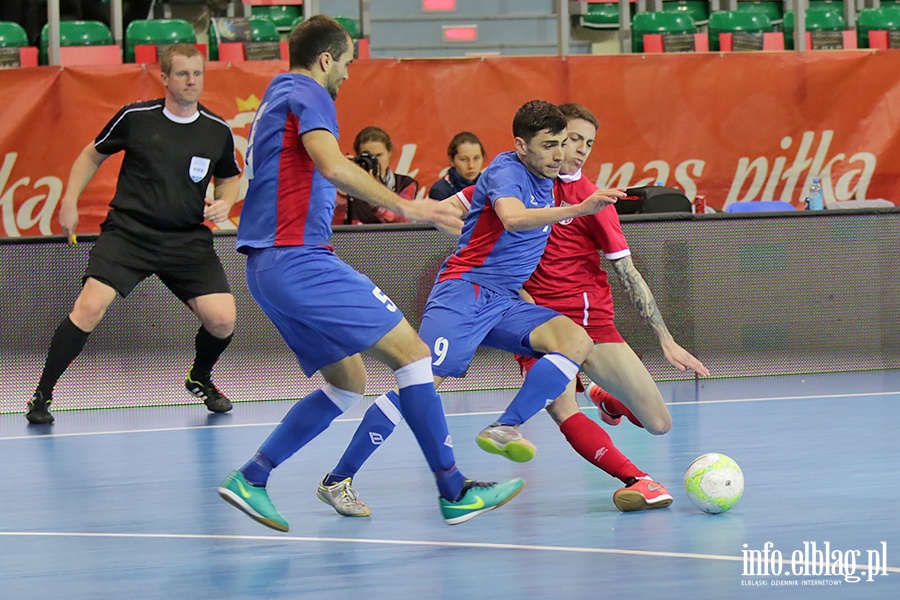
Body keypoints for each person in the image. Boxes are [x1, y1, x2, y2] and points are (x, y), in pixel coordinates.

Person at [216, 15, 524, 532]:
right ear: (326, 59)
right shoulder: (311, 93)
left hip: (264, 267)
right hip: (300, 260)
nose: (349, 76)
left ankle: (254, 476)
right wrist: (418, 208)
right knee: (414, 355)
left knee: (348, 381)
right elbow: (333, 166)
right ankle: (454, 488)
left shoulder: (273, 95)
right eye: (348, 64)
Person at [315, 100, 623, 517]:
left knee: (574, 339)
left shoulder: (546, 174)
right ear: (521, 145)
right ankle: (338, 480)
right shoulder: (505, 171)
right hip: (463, 294)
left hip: (504, 300)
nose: (559, 154)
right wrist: (578, 210)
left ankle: (505, 425)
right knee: (418, 387)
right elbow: (512, 219)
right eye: (549, 145)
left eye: (563, 144)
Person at [25, 44, 241, 425]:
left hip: (187, 240)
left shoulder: (217, 129)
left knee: (223, 320)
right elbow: (92, 154)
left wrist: (225, 202)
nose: (191, 81)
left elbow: (229, 178)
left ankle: (200, 377)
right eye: (182, 74)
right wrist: (70, 200)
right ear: (165, 78)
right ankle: (42, 395)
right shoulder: (135, 117)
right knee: (89, 308)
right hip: (129, 234)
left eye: (197, 73)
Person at [514, 103, 710, 511]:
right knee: (561, 405)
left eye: (589, 142)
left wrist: (666, 340)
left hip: (591, 321)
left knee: (659, 423)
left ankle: (606, 395)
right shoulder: (517, 188)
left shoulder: (593, 199)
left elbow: (629, 274)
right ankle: (640, 480)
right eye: (573, 139)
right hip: (539, 324)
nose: (582, 149)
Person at [338, 126, 419, 224]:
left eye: (379, 155)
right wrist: (340, 187)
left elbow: (401, 219)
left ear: (389, 153)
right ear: (358, 157)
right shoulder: (351, 185)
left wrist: (371, 192)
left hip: (394, 238)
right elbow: (337, 222)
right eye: (368, 156)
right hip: (359, 238)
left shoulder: (405, 184)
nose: (375, 161)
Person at [427, 131, 486, 200]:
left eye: (476, 158)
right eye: (463, 159)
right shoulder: (440, 191)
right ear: (452, 160)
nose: (471, 166)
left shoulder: (490, 187)